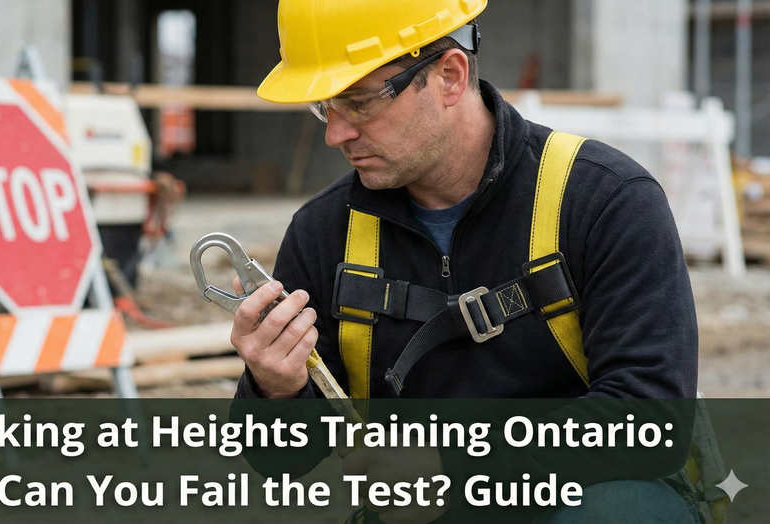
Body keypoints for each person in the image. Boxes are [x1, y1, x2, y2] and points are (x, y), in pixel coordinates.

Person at [228, 1, 700, 522]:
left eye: (359, 103)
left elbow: (652, 420)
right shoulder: (326, 232)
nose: (335, 134)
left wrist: (454, 467)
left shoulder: (604, 201)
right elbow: (279, 459)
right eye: (325, 107)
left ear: (449, 77)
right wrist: (273, 388)